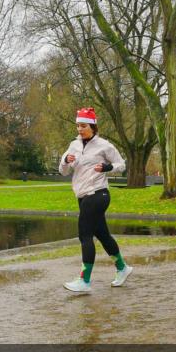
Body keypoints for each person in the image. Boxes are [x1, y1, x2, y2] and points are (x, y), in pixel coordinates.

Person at [60, 107, 133, 294]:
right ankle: (122, 267)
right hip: (82, 195)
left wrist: (107, 167)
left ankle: (84, 280)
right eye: (77, 125)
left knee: (85, 234)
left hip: (99, 194)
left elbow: (121, 165)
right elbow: (63, 171)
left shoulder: (104, 145)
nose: (79, 129)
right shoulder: (73, 145)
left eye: (83, 125)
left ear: (92, 126)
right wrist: (65, 161)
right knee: (102, 234)